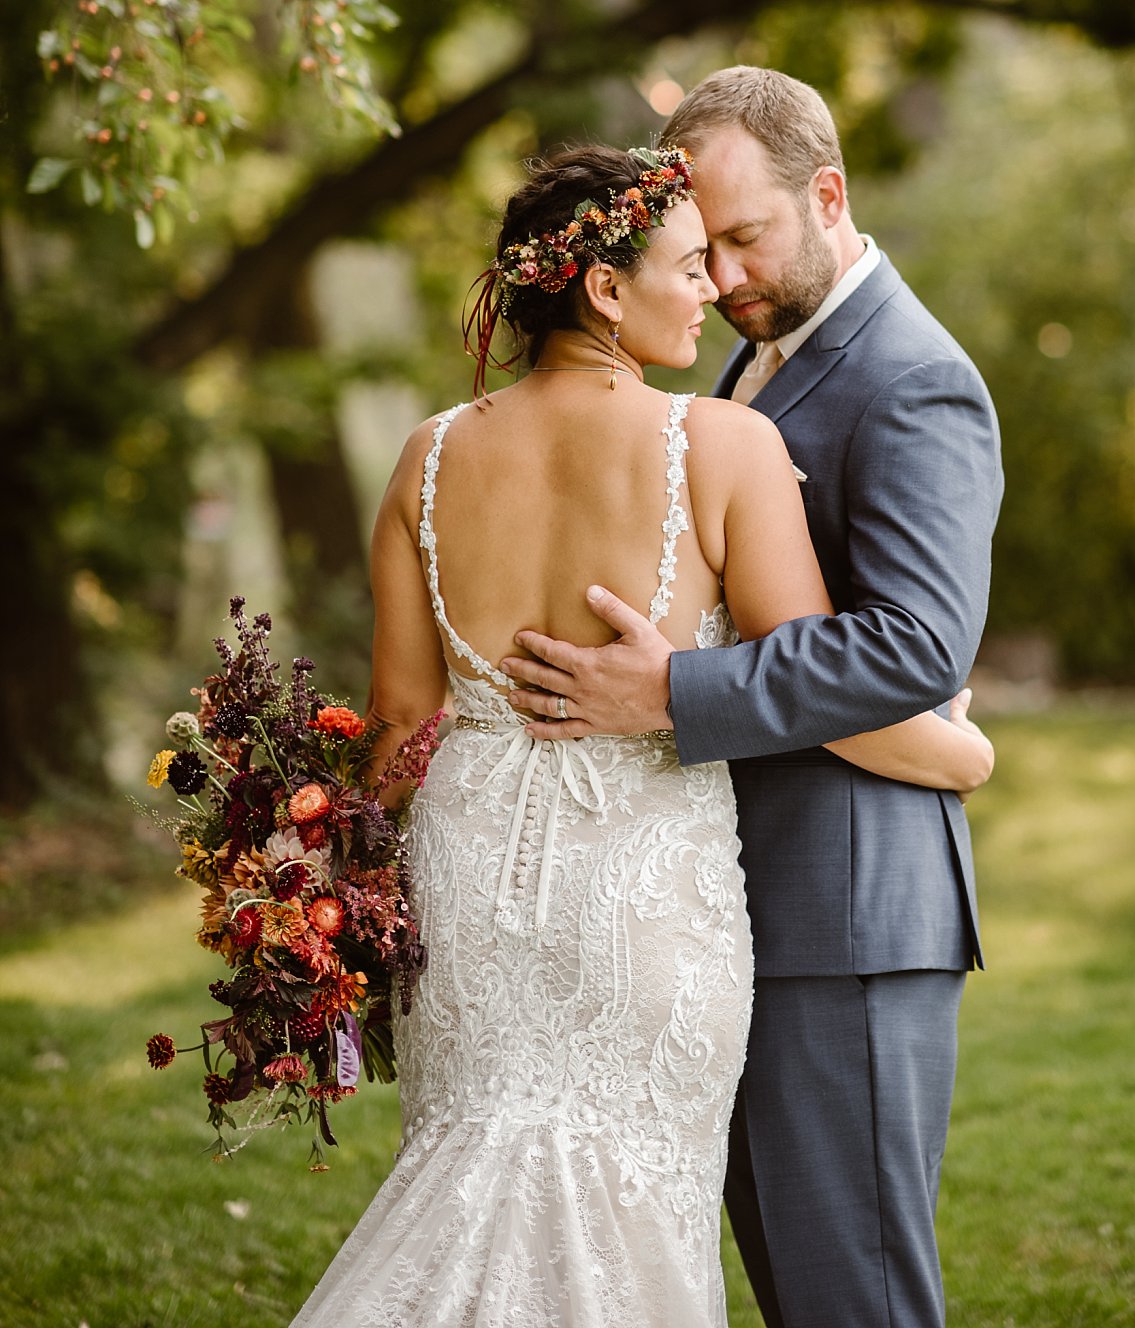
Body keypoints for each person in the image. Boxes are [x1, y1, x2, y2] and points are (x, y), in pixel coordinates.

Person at [289, 139, 993, 1328]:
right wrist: (962, 751)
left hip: (472, 901)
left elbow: (402, 732)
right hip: (642, 904)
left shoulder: (428, 455)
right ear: (604, 288)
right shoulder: (720, 444)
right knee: (627, 1220)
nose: (712, 284)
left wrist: (309, 872)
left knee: (467, 1181)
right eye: (685, 262)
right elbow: (819, 680)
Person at [505, 71, 1004, 1328]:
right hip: (740, 906)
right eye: (703, 243)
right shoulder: (755, 355)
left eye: (745, 236)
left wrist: (670, 691)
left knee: (855, 1297)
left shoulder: (909, 376)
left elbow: (914, 644)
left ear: (825, 194)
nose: (720, 273)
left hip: (846, 918)